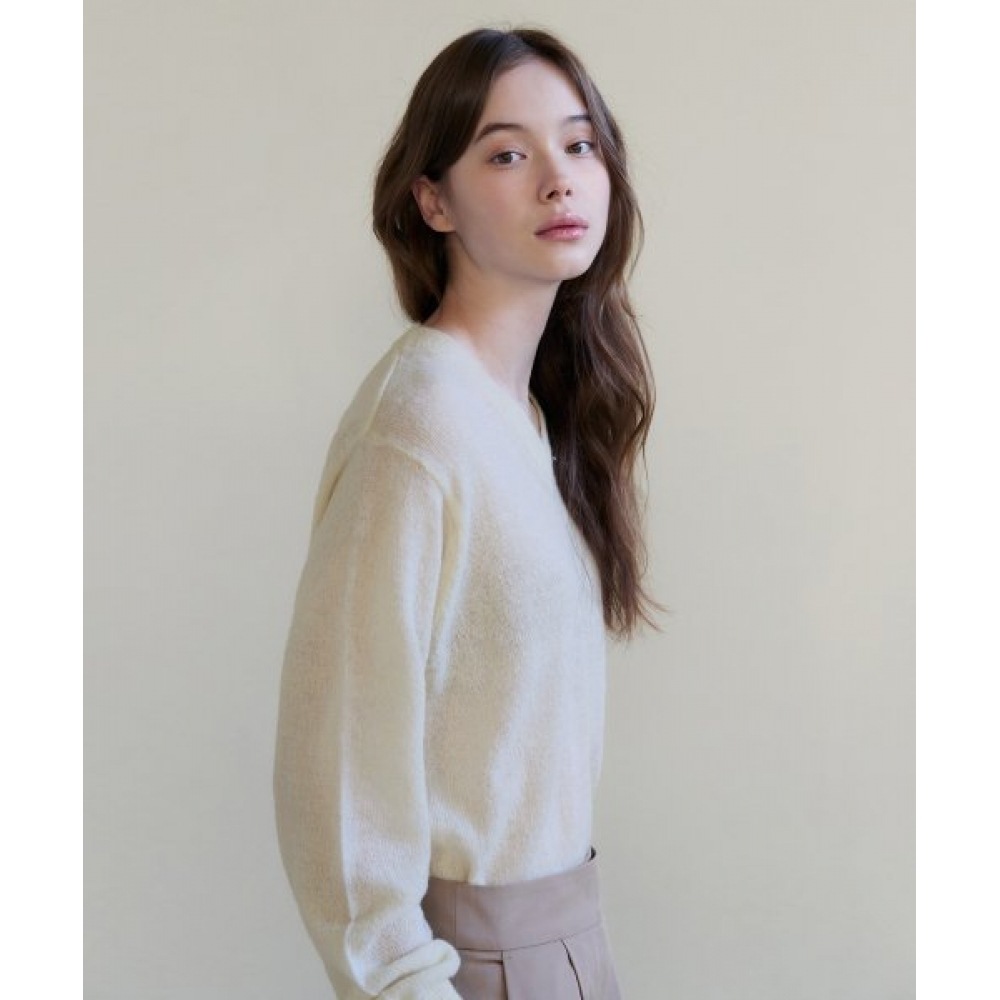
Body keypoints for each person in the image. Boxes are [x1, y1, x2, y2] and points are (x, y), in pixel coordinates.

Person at [274, 26, 658, 1000]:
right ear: (432, 200)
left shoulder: (525, 416)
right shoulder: (417, 429)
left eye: (578, 144)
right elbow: (338, 777)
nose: (559, 180)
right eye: (506, 154)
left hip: (567, 944)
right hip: (477, 966)